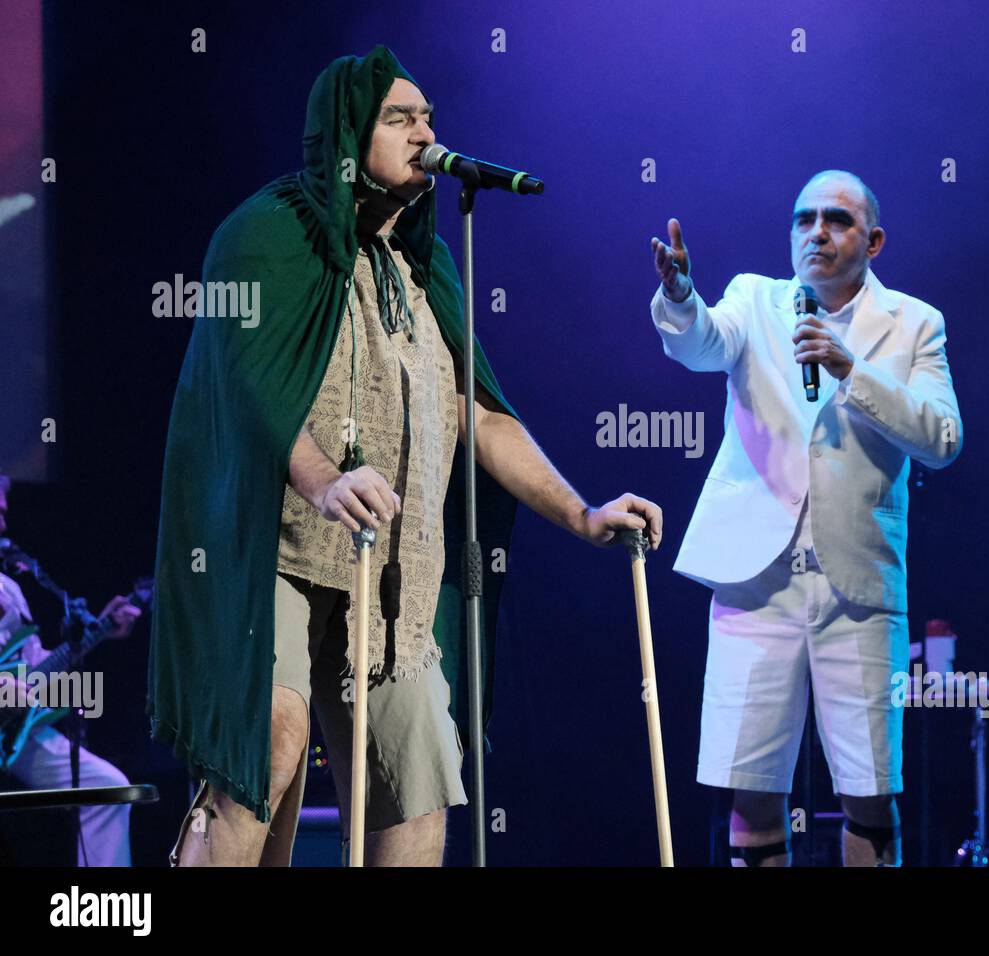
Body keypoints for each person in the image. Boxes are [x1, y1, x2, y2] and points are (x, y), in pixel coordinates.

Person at [149, 46, 663, 867]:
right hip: (271, 549)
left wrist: (584, 513)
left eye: (429, 117)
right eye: (401, 118)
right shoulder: (266, 234)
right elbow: (245, 390)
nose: (426, 132)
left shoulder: (425, 270)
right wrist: (321, 482)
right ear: (349, 133)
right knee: (268, 748)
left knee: (420, 778)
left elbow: (481, 416)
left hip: (395, 574)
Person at [649, 171, 962, 866]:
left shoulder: (914, 322)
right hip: (757, 581)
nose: (815, 231)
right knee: (751, 787)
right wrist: (678, 296)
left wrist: (854, 370)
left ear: (873, 240)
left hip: (858, 586)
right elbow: (702, 343)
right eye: (803, 219)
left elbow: (943, 438)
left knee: (870, 790)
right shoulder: (754, 300)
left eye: (837, 220)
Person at [0, 471, 142, 866]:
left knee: (108, 790)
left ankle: (99, 911)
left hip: (13, 731)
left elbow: (31, 669)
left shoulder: (8, 588)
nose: (4, 523)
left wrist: (98, 631)